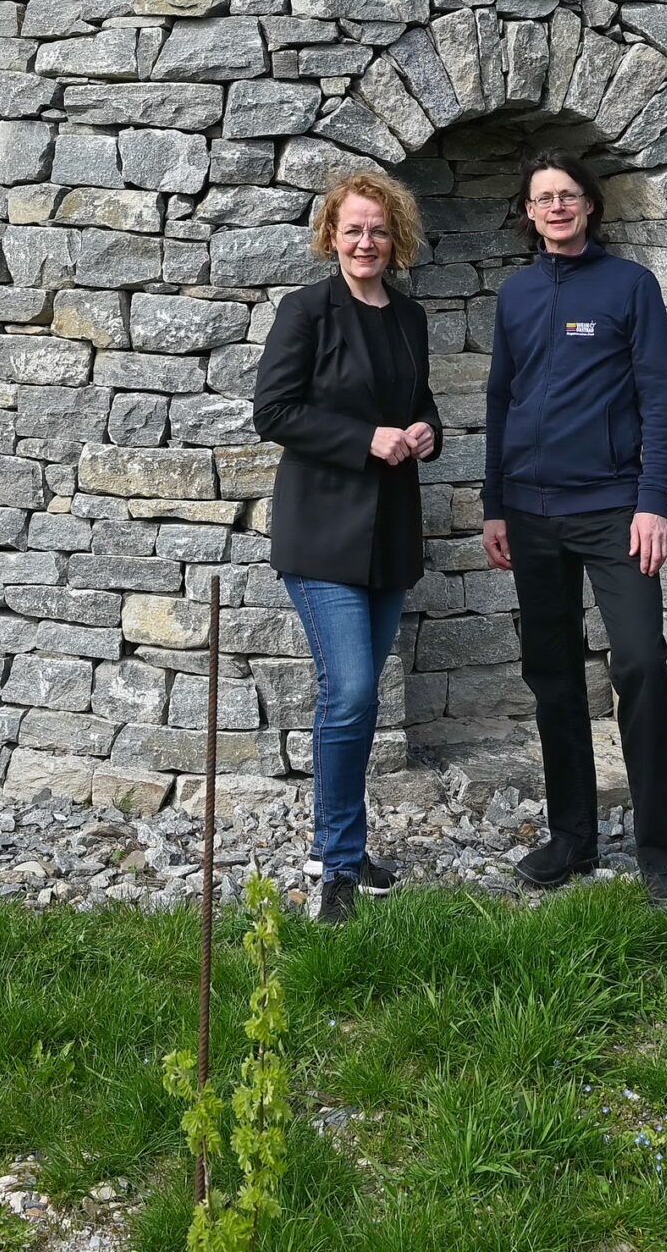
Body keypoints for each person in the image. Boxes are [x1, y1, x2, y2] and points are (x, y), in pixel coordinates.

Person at [481, 145, 667, 905]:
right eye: (542, 198)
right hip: (531, 516)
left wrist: (651, 501)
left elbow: (659, 399)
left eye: (567, 194)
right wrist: (493, 506)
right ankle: (571, 838)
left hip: (611, 512)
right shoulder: (514, 295)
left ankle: (659, 852)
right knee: (553, 679)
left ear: (590, 205)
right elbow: (500, 401)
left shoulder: (629, 287)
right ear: (529, 213)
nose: (556, 207)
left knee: (638, 663)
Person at [253, 168, 442, 923]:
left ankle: (345, 846)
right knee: (352, 692)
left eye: (378, 229)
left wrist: (427, 432)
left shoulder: (408, 316)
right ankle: (334, 865)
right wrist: (367, 439)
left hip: (389, 534)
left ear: (396, 240)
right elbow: (273, 411)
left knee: (357, 701)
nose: (365, 241)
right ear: (330, 235)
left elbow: (417, 403)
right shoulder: (306, 311)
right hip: (322, 532)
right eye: (352, 228)